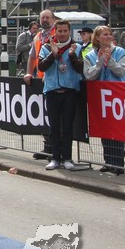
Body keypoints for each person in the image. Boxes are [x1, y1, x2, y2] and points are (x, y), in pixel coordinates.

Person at [38, 19, 84, 171]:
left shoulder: (77, 47)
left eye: (65, 31)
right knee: (54, 127)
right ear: (55, 31)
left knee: (68, 127)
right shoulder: (46, 47)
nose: (62, 34)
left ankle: (68, 158)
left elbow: (80, 69)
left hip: (70, 91)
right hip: (52, 91)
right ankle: (55, 158)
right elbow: (41, 67)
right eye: (60, 31)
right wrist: (53, 54)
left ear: (69, 31)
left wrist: (71, 55)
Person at [83, 25, 125, 174]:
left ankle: (118, 164)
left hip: (117, 97)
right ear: (97, 37)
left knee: (117, 130)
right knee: (104, 130)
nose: (109, 37)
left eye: (110, 34)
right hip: (99, 98)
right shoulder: (90, 56)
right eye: (105, 34)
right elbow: (89, 75)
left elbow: (122, 71)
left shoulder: (121, 52)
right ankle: (108, 161)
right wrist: (99, 62)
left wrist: (110, 61)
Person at [23, 9, 56, 160]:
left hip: (54, 81)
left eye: (48, 17)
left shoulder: (58, 33)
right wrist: (29, 73)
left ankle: (55, 149)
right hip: (40, 80)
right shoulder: (38, 36)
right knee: (44, 116)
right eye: (43, 17)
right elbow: (32, 57)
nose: (45, 20)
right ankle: (48, 147)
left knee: (54, 117)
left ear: (53, 19)